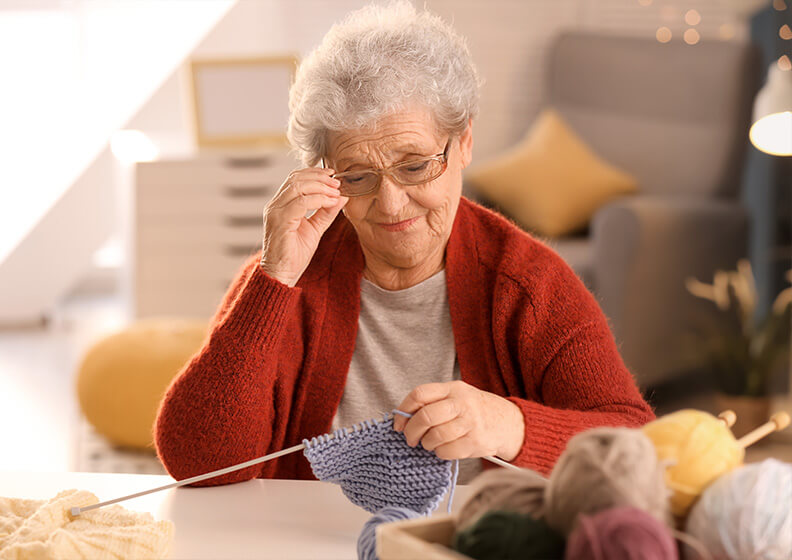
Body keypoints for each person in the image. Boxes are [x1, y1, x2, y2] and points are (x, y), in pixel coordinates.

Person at [154, 1, 655, 485]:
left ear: (463, 144)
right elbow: (196, 462)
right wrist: (273, 280)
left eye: (415, 165)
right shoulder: (287, 278)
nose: (392, 205)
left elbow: (638, 444)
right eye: (357, 177)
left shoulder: (527, 282)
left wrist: (511, 426)